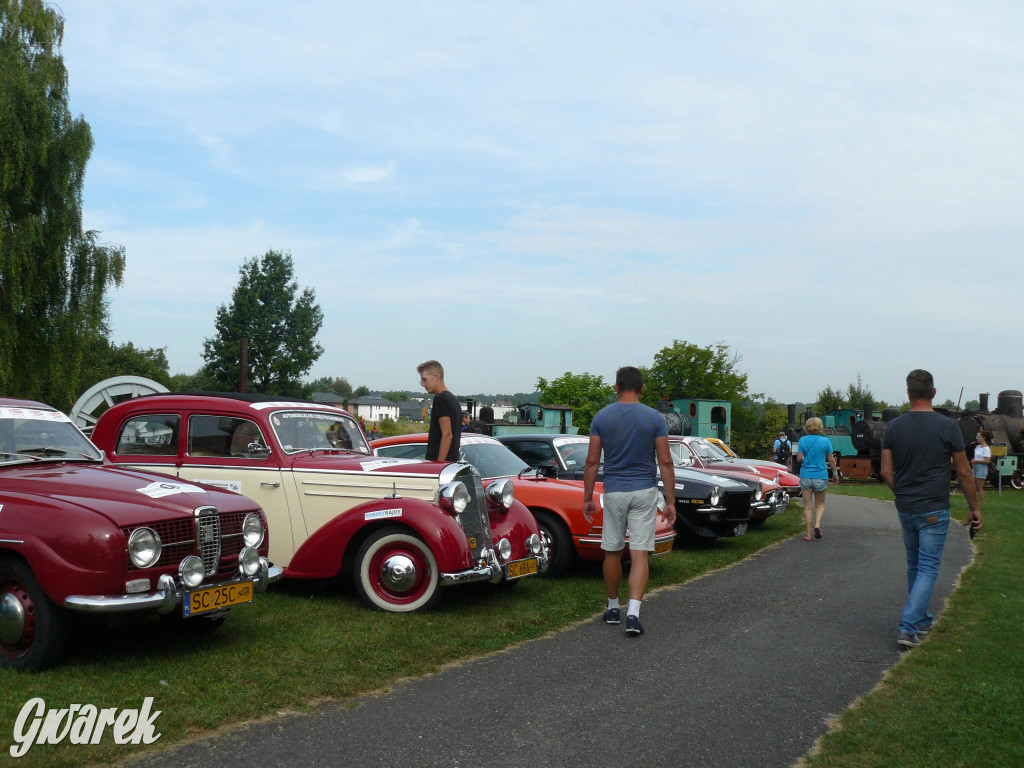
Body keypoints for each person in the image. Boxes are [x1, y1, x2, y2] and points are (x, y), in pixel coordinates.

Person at [881, 369, 981, 649]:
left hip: (907, 507)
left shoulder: (894, 427)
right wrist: (974, 508)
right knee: (927, 567)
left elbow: (886, 471)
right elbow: (963, 471)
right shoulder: (948, 426)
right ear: (934, 393)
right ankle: (907, 627)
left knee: (915, 564)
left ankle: (922, 620)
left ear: (908, 393)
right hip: (935, 508)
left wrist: (901, 494)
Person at [582, 366, 676, 637]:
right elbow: (666, 462)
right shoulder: (655, 418)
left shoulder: (602, 417)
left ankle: (613, 609)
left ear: (616, 387)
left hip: (614, 492)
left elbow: (591, 461)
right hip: (644, 491)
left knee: (612, 550)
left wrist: (588, 498)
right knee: (639, 553)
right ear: (642, 388)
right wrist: (670, 501)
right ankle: (633, 615)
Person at [796, 417, 838, 541]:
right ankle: (817, 524)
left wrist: (805, 459)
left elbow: (799, 459)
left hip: (806, 476)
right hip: (820, 476)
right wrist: (835, 474)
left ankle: (808, 535)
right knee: (820, 504)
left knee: (807, 506)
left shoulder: (802, 440)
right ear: (820, 427)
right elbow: (831, 459)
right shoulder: (825, 441)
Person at [417, 360, 461, 461]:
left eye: (425, 379)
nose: (423, 384)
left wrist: (438, 465)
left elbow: (447, 434)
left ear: (436, 377)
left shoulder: (440, 398)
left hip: (441, 465)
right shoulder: (453, 399)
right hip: (452, 463)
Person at [971, 429, 992, 512]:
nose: (977, 438)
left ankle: (980, 505)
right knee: (973, 486)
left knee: (979, 487)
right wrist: (973, 461)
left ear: (983, 438)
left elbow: (987, 461)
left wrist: (977, 461)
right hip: (975, 467)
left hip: (981, 468)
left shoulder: (986, 448)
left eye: (978, 437)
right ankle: (973, 503)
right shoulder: (978, 447)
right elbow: (976, 456)